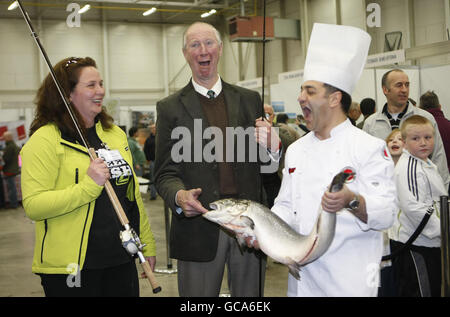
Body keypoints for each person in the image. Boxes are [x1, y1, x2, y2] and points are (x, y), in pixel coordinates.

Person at [268, 23, 397, 296]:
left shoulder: (369, 147)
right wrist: (259, 229)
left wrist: (351, 199)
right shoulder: (297, 150)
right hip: (302, 280)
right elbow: (286, 206)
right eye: (302, 90)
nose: (301, 97)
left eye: (310, 91)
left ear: (334, 98)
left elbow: (386, 214)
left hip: (351, 279)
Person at [154, 22, 280, 297]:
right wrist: (179, 196)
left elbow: (266, 168)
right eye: (195, 45)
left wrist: (272, 147)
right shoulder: (170, 108)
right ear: (185, 53)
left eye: (209, 43)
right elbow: (164, 173)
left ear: (220, 49)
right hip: (198, 228)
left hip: (248, 228)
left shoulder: (249, 99)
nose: (203, 51)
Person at [20, 56, 156, 297]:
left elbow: (131, 195)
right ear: (67, 94)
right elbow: (34, 205)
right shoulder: (44, 141)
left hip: (121, 260)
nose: (101, 91)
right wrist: (88, 186)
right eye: (91, 85)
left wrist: (146, 243)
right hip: (71, 269)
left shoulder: (114, 134)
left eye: (101, 83)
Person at [363, 69, 449, 188]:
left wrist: (441, 196)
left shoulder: (425, 118)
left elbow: (439, 158)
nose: (404, 90)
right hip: (385, 194)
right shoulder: (371, 124)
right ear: (385, 90)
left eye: (407, 85)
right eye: (399, 85)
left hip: (420, 194)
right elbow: (366, 163)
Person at [391, 115, 447, 297]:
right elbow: (413, 208)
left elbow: (437, 200)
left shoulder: (427, 164)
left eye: (428, 137)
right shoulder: (409, 167)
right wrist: (443, 230)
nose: (423, 143)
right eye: (416, 139)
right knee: (421, 291)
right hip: (415, 245)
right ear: (405, 142)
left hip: (431, 242)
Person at [378, 128, 404, 297]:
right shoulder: (379, 171)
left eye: (400, 139)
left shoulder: (411, 170)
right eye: (391, 139)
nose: (395, 142)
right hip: (384, 234)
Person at [419, 90, 450, 176]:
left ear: (420, 108)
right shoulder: (448, 125)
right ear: (440, 107)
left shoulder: (418, 130)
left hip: (428, 176)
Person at [2, 131, 21, 209]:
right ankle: (14, 203)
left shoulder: (9, 147)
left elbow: (6, 159)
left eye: (5, 137)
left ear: (9, 137)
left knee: (11, 188)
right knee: (12, 188)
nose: (3, 139)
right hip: (14, 169)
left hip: (9, 170)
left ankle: (13, 204)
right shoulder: (15, 145)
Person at [143, 123, 157, 200]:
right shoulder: (149, 139)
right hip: (153, 161)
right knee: (153, 178)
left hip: (161, 162)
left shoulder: (161, 138)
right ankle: (153, 194)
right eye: (152, 128)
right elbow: (146, 150)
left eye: (155, 128)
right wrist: (148, 159)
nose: (153, 129)